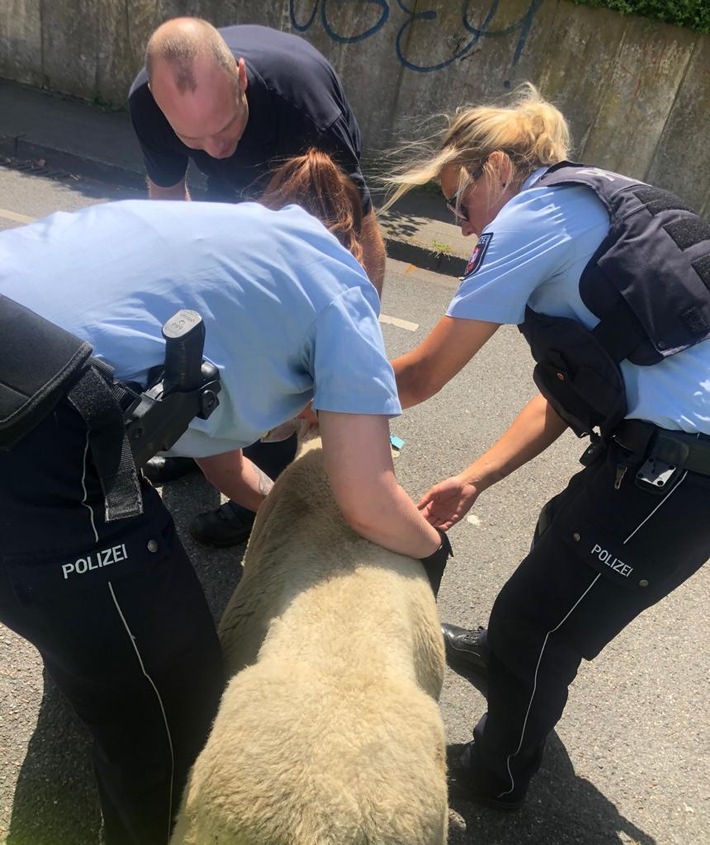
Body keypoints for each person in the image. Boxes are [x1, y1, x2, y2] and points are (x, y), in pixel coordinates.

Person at [0, 157, 449, 844]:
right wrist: (432, 547)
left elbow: (214, 449)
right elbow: (365, 496)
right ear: (359, 242)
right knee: (177, 693)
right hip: (35, 420)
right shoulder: (340, 279)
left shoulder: (223, 241)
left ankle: (91, 664)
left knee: (90, 624)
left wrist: (282, 508)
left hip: (19, 356)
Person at [384, 83, 710, 810]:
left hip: (686, 475)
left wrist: (308, 399)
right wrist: (474, 477)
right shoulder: (586, 202)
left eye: (458, 206)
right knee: (553, 540)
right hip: (656, 452)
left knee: (537, 623)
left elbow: (421, 374)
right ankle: (507, 659)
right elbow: (572, 390)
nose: (462, 228)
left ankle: (495, 775)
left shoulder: (531, 215)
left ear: (495, 170)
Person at [128, 17, 387, 541]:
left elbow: (360, 232)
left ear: (241, 77)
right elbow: (171, 212)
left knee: (279, 351)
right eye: (192, 136)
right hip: (230, 202)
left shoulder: (306, 106)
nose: (215, 149)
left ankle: (256, 508)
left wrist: (351, 347)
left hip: (299, 184)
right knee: (210, 328)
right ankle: (198, 443)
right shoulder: (149, 104)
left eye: (224, 127)